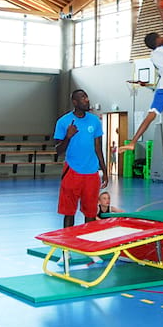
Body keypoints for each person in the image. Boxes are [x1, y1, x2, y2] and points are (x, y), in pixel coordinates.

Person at [120, 0, 163, 164]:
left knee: (153, 117)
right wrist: (160, 7)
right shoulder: (162, 48)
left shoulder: (155, 54)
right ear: (158, 40)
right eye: (160, 37)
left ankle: (136, 143)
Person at [54, 89, 109, 229]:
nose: (87, 100)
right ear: (75, 102)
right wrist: (68, 136)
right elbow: (58, 151)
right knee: (69, 213)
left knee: (90, 213)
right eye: (83, 98)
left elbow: (98, 148)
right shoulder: (63, 122)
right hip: (72, 171)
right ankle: (67, 249)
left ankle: (87, 246)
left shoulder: (94, 120)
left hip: (91, 173)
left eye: (87, 97)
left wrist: (105, 171)